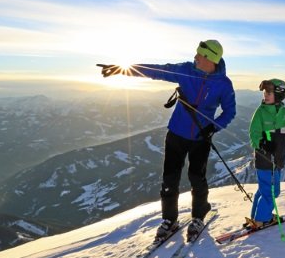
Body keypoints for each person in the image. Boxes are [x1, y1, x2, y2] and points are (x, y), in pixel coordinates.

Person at [99, 39, 236, 240]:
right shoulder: (186, 70)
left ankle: (199, 215)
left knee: (197, 178)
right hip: (176, 134)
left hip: (200, 138)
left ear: (210, 59)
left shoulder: (223, 85)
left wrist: (212, 127)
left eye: (199, 54)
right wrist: (122, 69)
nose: (195, 57)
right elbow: (158, 71)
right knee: (169, 178)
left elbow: (230, 112)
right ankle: (169, 220)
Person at [247, 79, 285, 229]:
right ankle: (262, 219)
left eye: (269, 92)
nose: (265, 95)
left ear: (279, 95)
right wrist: (262, 142)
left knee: (265, 190)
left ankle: (257, 216)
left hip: (278, 159)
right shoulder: (260, 112)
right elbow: (253, 133)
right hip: (264, 159)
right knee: (272, 191)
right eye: (265, 92)